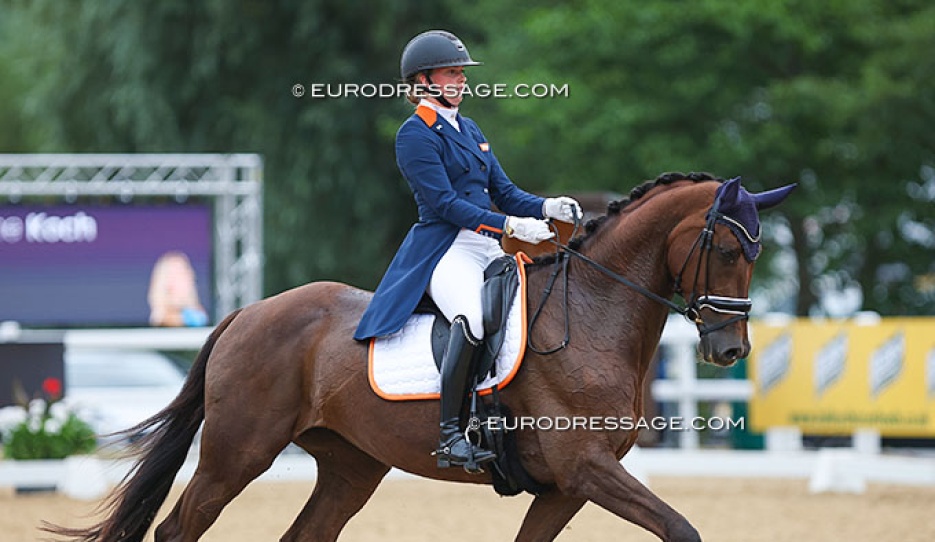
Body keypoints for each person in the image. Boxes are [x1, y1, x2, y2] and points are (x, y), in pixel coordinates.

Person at [354, 30, 581, 470]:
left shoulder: (470, 128)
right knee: (473, 319)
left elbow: (504, 190)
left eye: (461, 73)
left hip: (485, 244)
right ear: (423, 81)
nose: (460, 81)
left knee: (534, 309)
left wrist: (547, 206)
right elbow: (445, 204)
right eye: (451, 73)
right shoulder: (415, 133)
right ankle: (451, 435)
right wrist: (510, 225)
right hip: (445, 248)